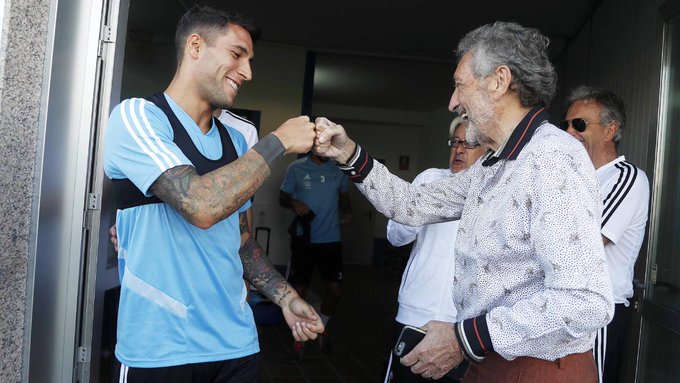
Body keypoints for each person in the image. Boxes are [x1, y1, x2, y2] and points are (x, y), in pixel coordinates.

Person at [314, 21, 614, 382]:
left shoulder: (552, 158)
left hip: (536, 370)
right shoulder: (496, 164)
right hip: (491, 362)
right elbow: (411, 205)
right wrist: (348, 153)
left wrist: (463, 338)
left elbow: (584, 301)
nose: (453, 102)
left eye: (459, 85)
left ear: (499, 81)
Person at [103, 5, 323, 382]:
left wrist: (286, 297)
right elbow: (202, 205)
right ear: (195, 46)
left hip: (236, 345)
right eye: (237, 55)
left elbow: (239, 240)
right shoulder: (139, 117)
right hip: (160, 348)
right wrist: (278, 142)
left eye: (250, 60)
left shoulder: (236, 141)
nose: (248, 72)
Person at [385, 117, 486, 383]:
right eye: (456, 142)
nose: (459, 150)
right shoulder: (429, 179)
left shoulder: (496, 192)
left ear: (488, 148)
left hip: (463, 325)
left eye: (469, 144)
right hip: (416, 314)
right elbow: (395, 237)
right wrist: (415, 216)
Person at [562, 86, 649, 383]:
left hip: (597, 312)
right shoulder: (571, 177)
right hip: (561, 309)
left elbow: (586, 241)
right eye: (567, 125)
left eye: (580, 124)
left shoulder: (627, 178)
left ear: (610, 130)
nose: (570, 132)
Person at [279, 153, 353, 357]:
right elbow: (282, 197)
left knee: (335, 291)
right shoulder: (296, 168)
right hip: (304, 239)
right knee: (298, 291)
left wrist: (347, 211)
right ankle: (299, 339)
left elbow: (344, 196)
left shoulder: (339, 169)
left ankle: (322, 326)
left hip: (331, 239)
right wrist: (293, 202)